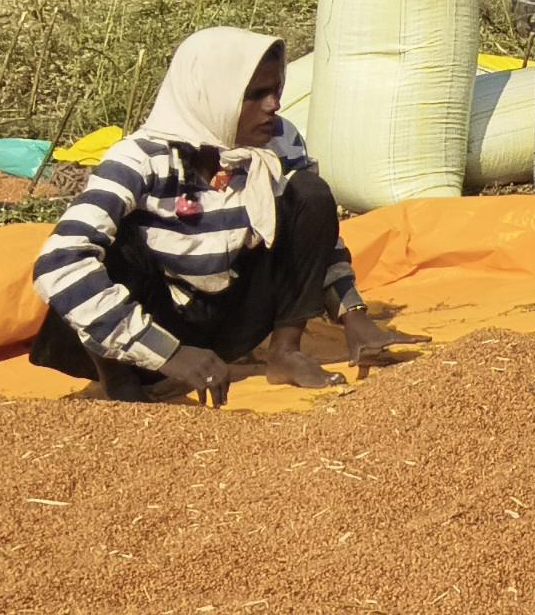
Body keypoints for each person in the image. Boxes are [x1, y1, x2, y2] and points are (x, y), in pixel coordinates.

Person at [28, 28, 426, 403]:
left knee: (309, 193)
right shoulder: (140, 159)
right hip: (147, 329)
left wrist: (353, 314)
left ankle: (286, 352)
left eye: (276, 90)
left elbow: (314, 232)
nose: (274, 105)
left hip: (228, 320)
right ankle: (121, 381)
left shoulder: (278, 143)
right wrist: (170, 354)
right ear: (210, 97)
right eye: (256, 95)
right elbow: (58, 264)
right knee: (115, 238)